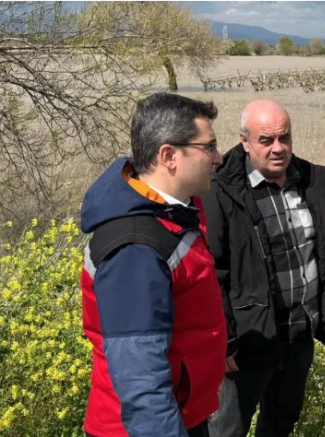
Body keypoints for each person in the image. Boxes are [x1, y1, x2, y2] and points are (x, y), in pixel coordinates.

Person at [79, 92, 227, 437]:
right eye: (210, 147)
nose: (218, 158)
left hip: (182, 412)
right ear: (169, 155)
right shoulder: (134, 248)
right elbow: (140, 381)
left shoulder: (172, 214)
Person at [203, 100, 325, 437]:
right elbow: (213, 272)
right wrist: (225, 341)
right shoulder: (222, 191)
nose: (278, 148)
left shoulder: (307, 180)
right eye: (266, 140)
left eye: (285, 138)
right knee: (227, 429)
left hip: (297, 337)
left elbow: (319, 253)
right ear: (245, 142)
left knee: (281, 423)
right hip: (249, 341)